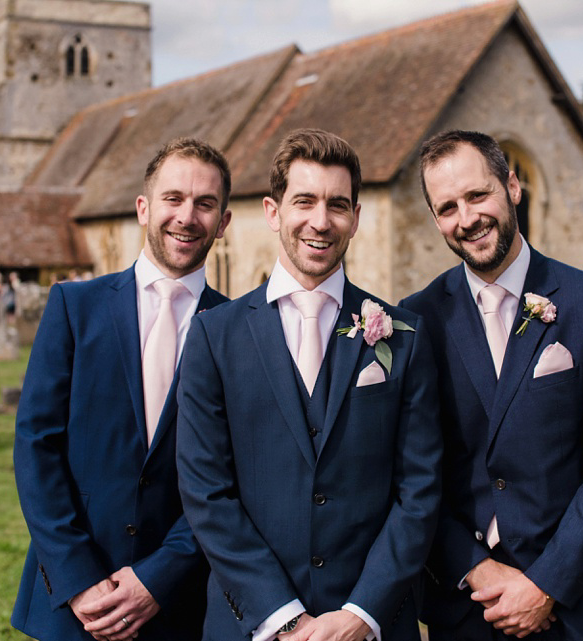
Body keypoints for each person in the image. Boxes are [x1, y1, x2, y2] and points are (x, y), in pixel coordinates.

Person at [176, 129, 442, 641]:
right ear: (273, 213)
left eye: (338, 205)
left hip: (371, 623)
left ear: (356, 218)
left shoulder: (404, 335)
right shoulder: (214, 334)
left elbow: (420, 490)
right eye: (304, 201)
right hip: (251, 624)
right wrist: (284, 617)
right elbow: (206, 491)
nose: (321, 222)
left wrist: (362, 613)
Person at [400, 130, 583, 641]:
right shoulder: (418, 320)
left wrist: (546, 584)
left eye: (477, 195)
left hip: (572, 607)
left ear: (512, 186)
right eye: (447, 207)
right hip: (467, 607)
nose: (466, 219)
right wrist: (477, 569)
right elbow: (413, 473)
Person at [12, 137, 233, 641]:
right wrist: (81, 580)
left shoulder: (238, 329)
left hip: (181, 604)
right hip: (72, 604)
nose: (186, 216)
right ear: (143, 208)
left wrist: (157, 580)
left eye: (205, 204)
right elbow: (36, 448)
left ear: (223, 221)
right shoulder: (74, 306)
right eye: (173, 199)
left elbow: (233, 478)